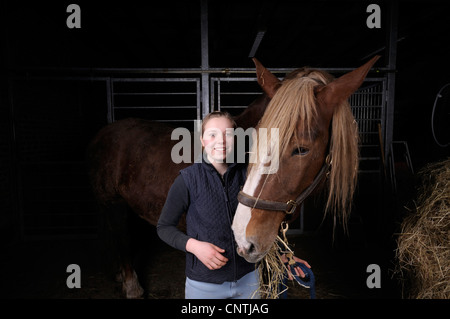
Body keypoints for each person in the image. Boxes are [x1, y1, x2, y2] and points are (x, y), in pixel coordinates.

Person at [157, 111, 310, 299]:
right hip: (204, 285)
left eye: (227, 134)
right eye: (212, 134)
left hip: (249, 280)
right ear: (202, 141)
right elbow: (164, 227)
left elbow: (263, 221)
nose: (221, 141)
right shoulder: (188, 179)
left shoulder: (249, 175)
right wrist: (194, 246)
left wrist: (282, 256)